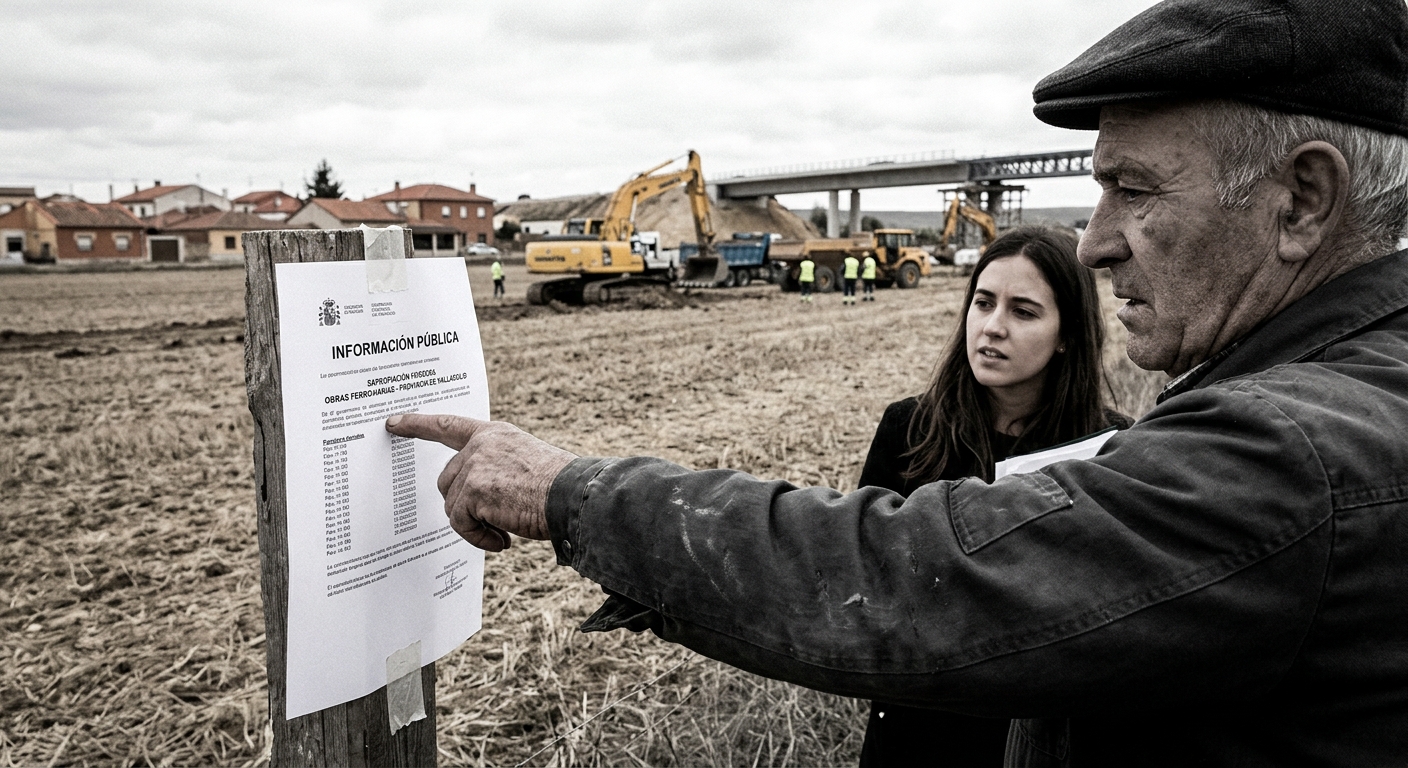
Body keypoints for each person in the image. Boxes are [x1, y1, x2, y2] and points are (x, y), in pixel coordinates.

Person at [388, 0, 1408, 761]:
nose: (1095, 244)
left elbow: (912, 575)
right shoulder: (1345, 387)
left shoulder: (1297, 452)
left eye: (1131, 189)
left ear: (1300, 200)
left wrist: (570, 493)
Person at [857, 226, 1130, 767]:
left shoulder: (1108, 449)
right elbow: (865, 576)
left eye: (1023, 311)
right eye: (983, 303)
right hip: (917, 722)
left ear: (1067, 334)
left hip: (1037, 733)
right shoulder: (909, 428)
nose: (992, 327)